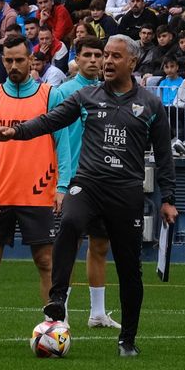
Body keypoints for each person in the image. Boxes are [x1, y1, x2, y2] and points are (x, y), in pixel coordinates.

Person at [0, 35, 177, 357]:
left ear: (132, 62)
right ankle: (57, 299)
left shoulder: (151, 105)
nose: (107, 62)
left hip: (126, 192)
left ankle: (128, 340)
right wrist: (17, 131)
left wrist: (168, 198)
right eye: (105, 55)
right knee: (70, 222)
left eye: (115, 56)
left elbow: (164, 155)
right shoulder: (86, 96)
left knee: (129, 269)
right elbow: (51, 120)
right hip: (88, 184)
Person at [0, 34, 71, 347]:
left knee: (45, 262)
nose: (13, 66)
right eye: (8, 60)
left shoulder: (49, 96)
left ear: (31, 60)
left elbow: (61, 143)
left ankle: (55, 329)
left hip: (39, 192)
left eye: (19, 60)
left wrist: (62, 185)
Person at [49, 37, 119, 329]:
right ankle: (58, 312)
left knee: (100, 245)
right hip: (74, 180)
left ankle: (97, 313)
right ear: (76, 59)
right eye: (87, 55)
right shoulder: (64, 92)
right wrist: (60, 184)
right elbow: (56, 138)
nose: (94, 60)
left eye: (98, 55)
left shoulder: (112, 92)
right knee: (69, 243)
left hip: (103, 181)